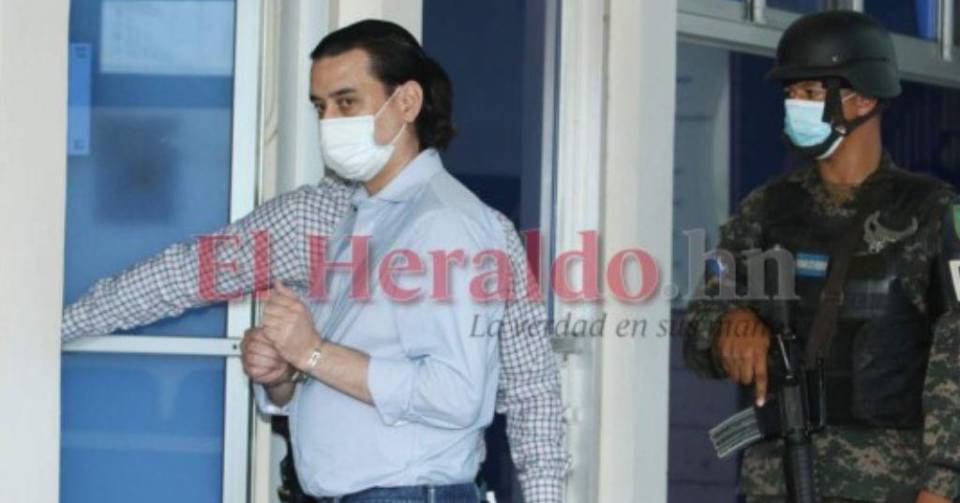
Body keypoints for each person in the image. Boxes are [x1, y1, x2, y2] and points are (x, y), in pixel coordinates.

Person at [61, 20, 567, 503]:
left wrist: (312, 353)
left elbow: (511, 389)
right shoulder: (334, 215)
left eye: (347, 102)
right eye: (320, 107)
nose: (329, 123)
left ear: (407, 101)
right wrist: (283, 375)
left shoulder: (454, 224)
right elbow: (185, 274)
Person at [683, 11, 960, 503]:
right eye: (791, 93)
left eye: (811, 93)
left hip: (889, 487)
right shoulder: (765, 209)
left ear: (865, 98)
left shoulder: (935, 214)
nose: (797, 106)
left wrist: (942, 485)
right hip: (775, 483)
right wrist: (729, 323)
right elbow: (698, 324)